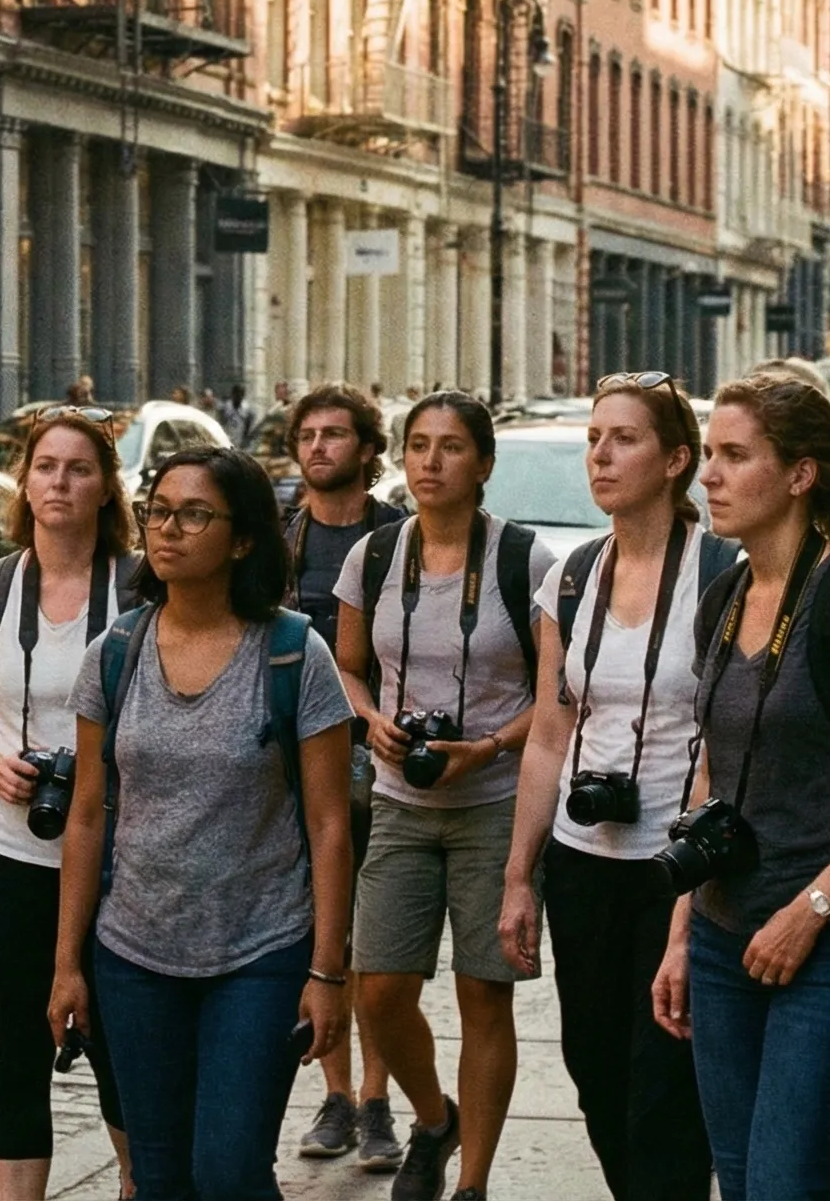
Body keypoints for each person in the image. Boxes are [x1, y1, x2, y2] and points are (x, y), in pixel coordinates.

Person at [653, 371, 830, 1201]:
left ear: (800, 474)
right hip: (721, 937)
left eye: (734, 456)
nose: (707, 474)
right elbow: (712, 771)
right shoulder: (726, 594)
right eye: (707, 454)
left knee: (786, 1186)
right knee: (743, 1184)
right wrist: (681, 934)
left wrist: (809, 911)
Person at [50, 446, 357, 1201]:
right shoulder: (115, 653)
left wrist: (327, 971)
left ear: (242, 537)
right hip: (134, 953)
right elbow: (87, 815)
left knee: (227, 1172)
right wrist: (67, 964)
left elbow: (328, 824)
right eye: (158, 511)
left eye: (195, 515)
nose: (169, 529)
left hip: (260, 953)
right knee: (156, 1178)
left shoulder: (293, 655)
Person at [500, 373, 733, 1201]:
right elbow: (550, 733)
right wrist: (519, 876)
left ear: (676, 460)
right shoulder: (570, 577)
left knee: (662, 1092)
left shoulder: (722, 576)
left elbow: (722, 751)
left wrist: (684, 913)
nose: (600, 454)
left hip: (679, 868)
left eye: (624, 438)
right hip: (583, 861)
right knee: (595, 1074)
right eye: (595, 437)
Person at [334, 393, 556, 1201]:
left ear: (483, 465)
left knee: (482, 993)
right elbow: (348, 667)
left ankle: (473, 1183)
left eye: (451, 447)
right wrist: (371, 721)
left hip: (495, 803)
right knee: (382, 990)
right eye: (419, 445)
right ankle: (434, 1117)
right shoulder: (374, 558)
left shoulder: (523, 563)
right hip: (399, 800)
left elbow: (558, 695)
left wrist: (490, 747)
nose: (430, 462)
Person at [0, 409, 136, 1201]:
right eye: (45, 466)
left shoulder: (140, 585)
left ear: (105, 487)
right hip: (11, 853)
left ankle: (134, 1182)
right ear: (26, 482)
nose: (59, 482)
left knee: (122, 1045)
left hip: (122, 856)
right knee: (17, 1053)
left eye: (78, 469)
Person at [281, 383, 408, 1171]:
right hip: (293, 761)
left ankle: (378, 1097)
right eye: (308, 435)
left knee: (380, 938)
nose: (319, 447)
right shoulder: (278, 539)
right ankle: (334, 1095)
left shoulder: (399, 539)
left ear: (367, 448)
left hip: (381, 759)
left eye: (336, 435)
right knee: (317, 926)